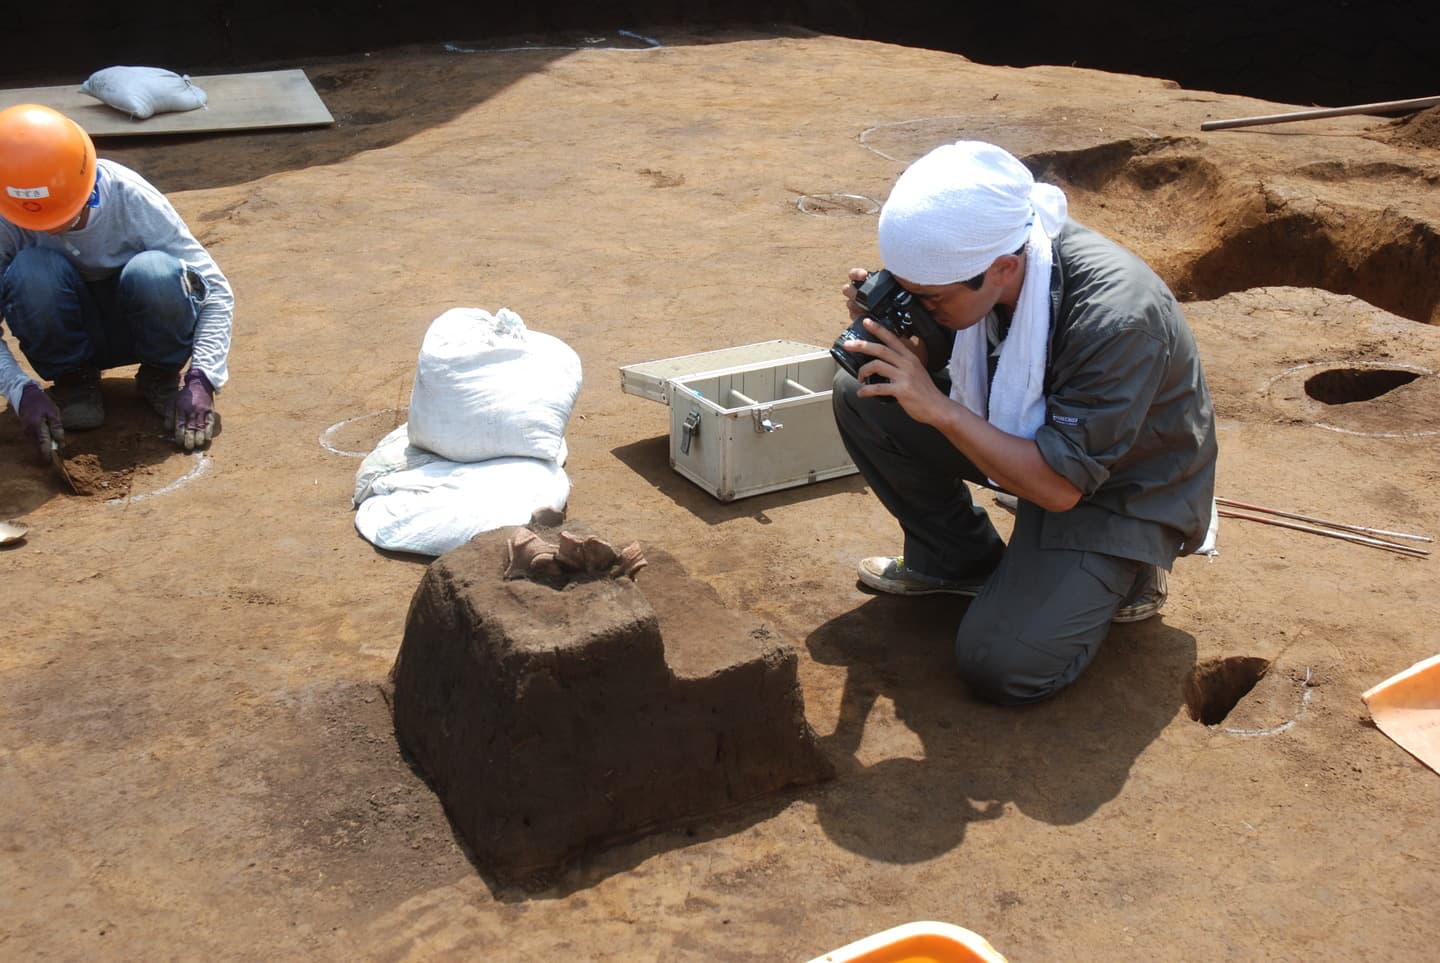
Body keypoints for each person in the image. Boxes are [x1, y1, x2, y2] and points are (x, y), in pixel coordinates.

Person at [833, 140, 1217, 705]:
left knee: (1001, 665)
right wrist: (908, 331)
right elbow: (968, 345)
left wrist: (939, 409)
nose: (925, 306)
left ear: (1002, 269)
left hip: (1122, 489)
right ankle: (959, 561)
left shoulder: (1117, 318)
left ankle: (1129, 574)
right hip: (1031, 438)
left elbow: (1060, 489)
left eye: (930, 298)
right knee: (866, 392)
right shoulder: (991, 262)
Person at [0, 103, 232, 457]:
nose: (49, 228)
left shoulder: (128, 197)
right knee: (32, 272)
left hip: (139, 324)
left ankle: (159, 372)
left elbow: (215, 290)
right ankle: (74, 379)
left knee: (155, 271)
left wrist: (203, 378)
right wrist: (21, 392)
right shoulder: (8, 213)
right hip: (66, 330)